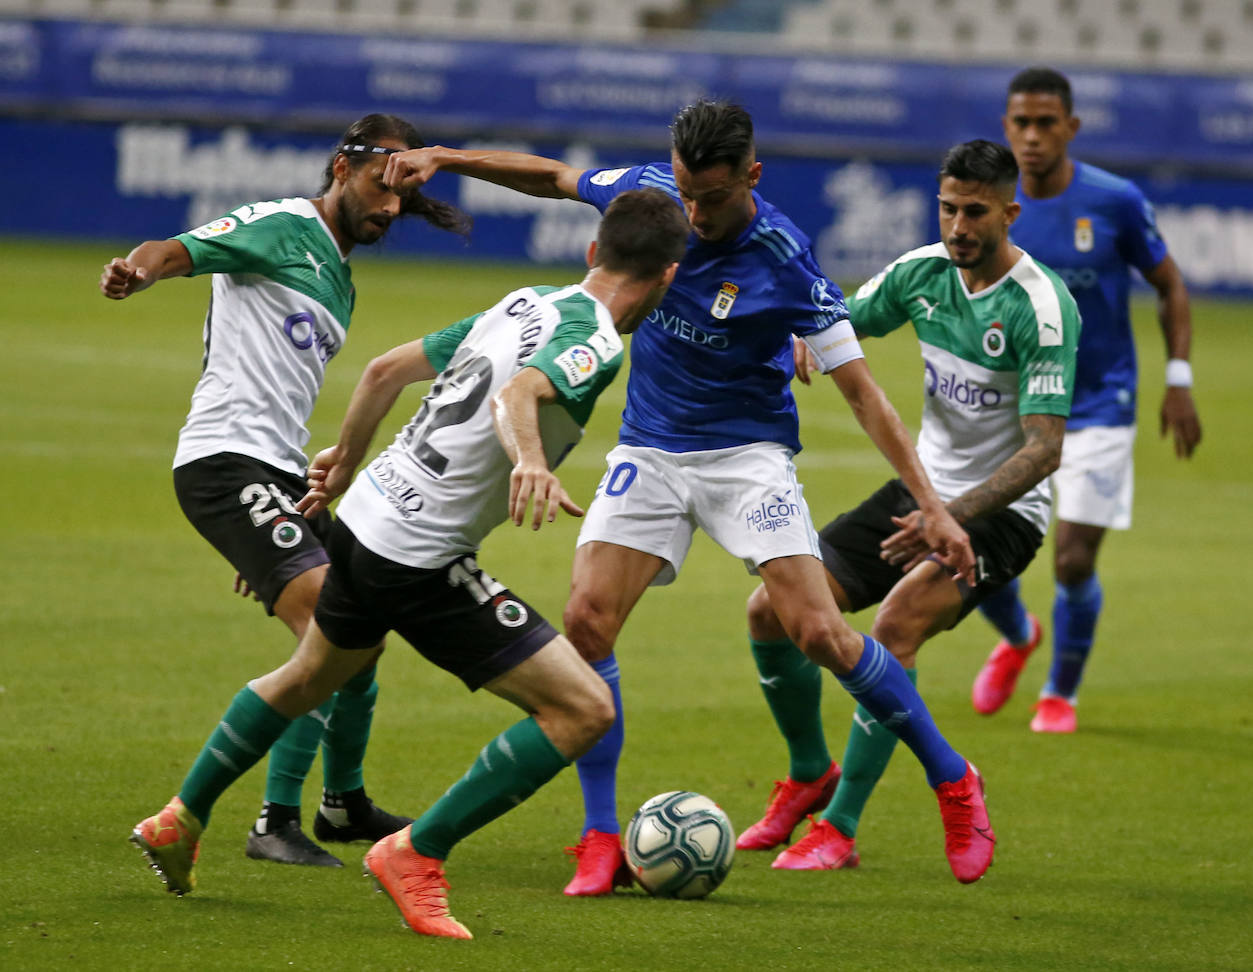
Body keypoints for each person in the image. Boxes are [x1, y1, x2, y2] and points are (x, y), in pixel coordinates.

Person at [382, 98, 987, 893]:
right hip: (652, 449)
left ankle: (952, 780)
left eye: (711, 197)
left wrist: (934, 505)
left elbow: (866, 396)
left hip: (747, 455)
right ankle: (600, 838)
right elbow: (556, 176)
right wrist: (448, 158)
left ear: (752, 176)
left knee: (817, 631)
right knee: (587, 621)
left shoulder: (787, 260)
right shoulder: (649, 198)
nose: (693, 215)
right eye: (684, 192)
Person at [129, 189, 689, 938]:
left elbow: (385, 371)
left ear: (592, 253)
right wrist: (530, 460)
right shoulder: (597, 340)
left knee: (305, 677)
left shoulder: (523, 301)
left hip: (362, 521)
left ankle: (179, 817)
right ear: (669, 277)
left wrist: (341, 468)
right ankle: (415, 855)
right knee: (582, 710)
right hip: (415, 555)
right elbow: (523, 390)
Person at [101, 114, 470, 867]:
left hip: (274, 475)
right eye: (381, 186)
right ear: (343, 166)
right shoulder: (280, 225)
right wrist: (137, 272)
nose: (390, 208)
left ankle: (343, 803)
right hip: (223, 463)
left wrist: (284, 520)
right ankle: (272, 821)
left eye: (401, 197)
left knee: (368, 617)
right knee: (332, 636)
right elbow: (179, 249)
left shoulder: (340, 277)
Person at [738, 140, 1080, 873]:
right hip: (923, 488)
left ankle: (842, 827)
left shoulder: (1042, 308)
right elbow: (843, 319)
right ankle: (808, 773)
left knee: (895, 625)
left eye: (976, 212)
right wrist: (801, 336)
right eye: (949, 208)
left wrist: (949, 518)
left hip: (1005, 511)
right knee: (772, 609)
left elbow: (1045, 449)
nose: (959, 226)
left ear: (1009, 213)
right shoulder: (922, 273)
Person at [971, 67, 1203, 733]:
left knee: (1072, 557)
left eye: (1048, 123)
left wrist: (1179, 378)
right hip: (1010, 406)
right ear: (1006, 126)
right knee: (970, 545)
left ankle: (1059, 695)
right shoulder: (992, 205)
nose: (1034, 135)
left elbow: (1169, 283)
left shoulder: (1115, 201)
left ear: (1071, 127)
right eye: (1022, 122)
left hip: (1100, 400)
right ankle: (1018, 635)